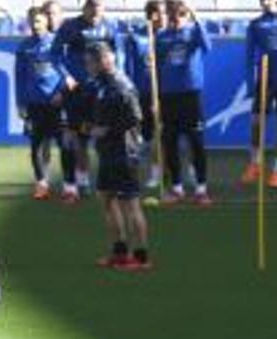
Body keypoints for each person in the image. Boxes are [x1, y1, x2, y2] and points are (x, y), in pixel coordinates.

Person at [86, 43, 151, 270]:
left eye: (90, 62)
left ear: (103, 61)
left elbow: (135, 117)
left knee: (130, 204)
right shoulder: (102, 85)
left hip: (124, 152)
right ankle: (120, 251)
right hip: (107, 152)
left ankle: (141, 257)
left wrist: (107, 130)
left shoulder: (122, 85)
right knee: (106, 199)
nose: (87, 67)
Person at [51, 0, 121, 203]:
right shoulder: (70, 26)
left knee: (101, 136)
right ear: (84, 7)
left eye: (99, 6)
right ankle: (71, 185)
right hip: (75, 92)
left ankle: (96, 181)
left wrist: (115, 78)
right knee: (72, 137)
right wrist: (66, 76)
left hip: (100, 92)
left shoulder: (110, 26)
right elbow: (54, 54)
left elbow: (119, 54)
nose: (95, 10)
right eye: (92, 5)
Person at [155, 0, 212, 206]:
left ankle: (201, 189)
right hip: (168, 96)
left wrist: (195, 14)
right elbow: (155, 66)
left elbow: (207, 45)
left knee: (196, 141)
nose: (176, 17)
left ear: (186, 14)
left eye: (180, 13)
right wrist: (156, 97)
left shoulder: (193, 32)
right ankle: (177, 188)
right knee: (169, 142)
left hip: (190, 95)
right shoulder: (160, 36)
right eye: (172, 13)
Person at [16, 5, 67, 200]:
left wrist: (62, 93)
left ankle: (69, 184)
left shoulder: (58, 43)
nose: (34, 25)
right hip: (34, 104)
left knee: (65, 144)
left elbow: (67, 70)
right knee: (36, 146)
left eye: (38, 21)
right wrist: (20, 103)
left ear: (46, 20)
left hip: (56, 102)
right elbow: (19, 77)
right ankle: (41, 184)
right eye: (31, 21)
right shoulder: (24, 47)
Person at [240, 0, 277, 189]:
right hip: (265, 78)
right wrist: (249, 83)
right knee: (256, 122)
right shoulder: (255, 24)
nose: (265, 1)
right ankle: (255, 164)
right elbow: (249, 55)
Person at [123, 1, 166, 189]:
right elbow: (129, 69)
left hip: (167, 93)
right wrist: (132, 96)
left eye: (165, 13)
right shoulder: (136, 38)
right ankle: (143, 174)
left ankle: (164, 173)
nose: (164, 17)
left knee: (163, 134)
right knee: (144, 137)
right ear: (152, 15)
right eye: (161, 13)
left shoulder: (169, 35)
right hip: (142, 94)